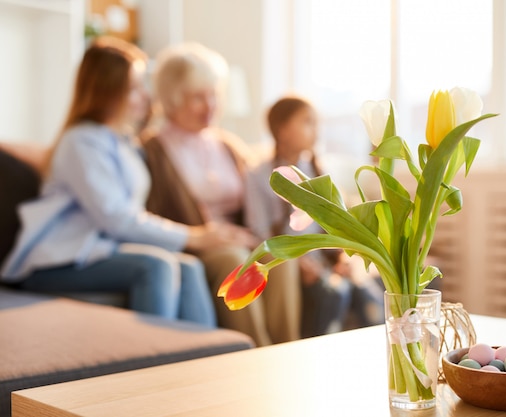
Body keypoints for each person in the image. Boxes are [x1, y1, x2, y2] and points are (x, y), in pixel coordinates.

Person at [0, 37, 218, 327]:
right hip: (56, 261)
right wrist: (194, 236)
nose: (145, 97)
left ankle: (208, 363)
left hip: (100, 253)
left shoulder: (123, 143)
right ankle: (152, 364)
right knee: (155, 266)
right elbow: (116, 218)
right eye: (135, 88)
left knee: (189, 267)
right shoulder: (81, 141)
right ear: (108, 91)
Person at [143, 43, 300, 346]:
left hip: (243, 237)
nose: (211, 105)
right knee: (236, 260)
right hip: (199, 242)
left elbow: (261, 191)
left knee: (280, 256)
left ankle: (287, 348)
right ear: (173, 99)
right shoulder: (152, 149)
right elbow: (150, 212)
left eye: (214, 94)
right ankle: (255, 353)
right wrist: (204, 233)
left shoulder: (226, 143)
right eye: (198, 97)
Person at [246, 96, 384, 338]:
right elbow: (259, 231)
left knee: (366, 294)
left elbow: (337, 223)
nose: (316, 130)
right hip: (294, 260)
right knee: (334, 294)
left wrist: (343, 256)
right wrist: (295, 261)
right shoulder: (258, 175)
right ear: (282, 130)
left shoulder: (318, 172)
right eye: (307, 122)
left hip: (324, 259)